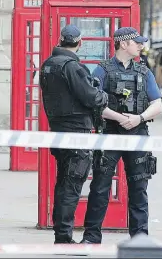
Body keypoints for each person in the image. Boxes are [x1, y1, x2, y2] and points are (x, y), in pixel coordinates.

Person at [80, 27, 162, 244]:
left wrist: (139, 118)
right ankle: (91, 237)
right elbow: (94, 103)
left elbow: (158, 104)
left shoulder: (145, 72)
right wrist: (119, 117)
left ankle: (140, 238)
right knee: (100, 186)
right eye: (137, 42)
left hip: (138, 134)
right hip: (109, 134)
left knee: (139, 187)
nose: (141, 46)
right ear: (123, 44)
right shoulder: (102, 71)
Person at [39, 25, 108, 244]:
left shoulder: (48, 64)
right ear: (80, 43)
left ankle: (61, 233)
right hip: (78, 132)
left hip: (58, 130)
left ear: (60, 40)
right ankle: (63, 237)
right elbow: (91, 98)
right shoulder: (73, 67)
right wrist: (103, 95)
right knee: (71, 186)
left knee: (63, 183)